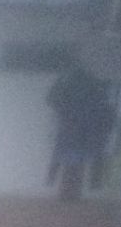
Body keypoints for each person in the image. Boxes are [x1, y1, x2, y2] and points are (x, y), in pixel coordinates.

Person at [46, 64, 114, 200]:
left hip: (74, 127)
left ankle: (68, 193)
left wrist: (64, 111)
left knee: (71, 161)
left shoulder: (67, 81)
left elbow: (52, 99)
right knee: (76, 162)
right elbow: (106, 108)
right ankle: (73, 193)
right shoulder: (96, 82)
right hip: (86, 128)